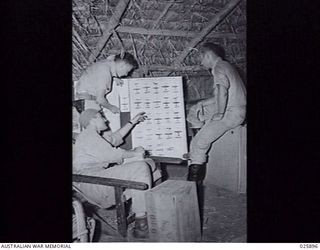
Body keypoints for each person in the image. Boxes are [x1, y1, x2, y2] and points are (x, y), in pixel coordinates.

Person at [73, 109, 156, 238]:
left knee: (150, 164)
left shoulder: (94, 136)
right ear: (93, 119)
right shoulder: (88, 136)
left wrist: (132, 122)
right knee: (141, 166)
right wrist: (135, 153)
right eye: (102, 117)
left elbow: (115, 138)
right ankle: (142, 223)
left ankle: (140, 206)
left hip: (96, 179)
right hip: (93, 183)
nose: (106, 120)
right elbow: (112, 155)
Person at [186, 42, 246, 182]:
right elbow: (221, 95)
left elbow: (222, 92)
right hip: (236, 108)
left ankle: (193, 186)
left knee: (199, 144)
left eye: (201, 59)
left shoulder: (218, 68)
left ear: (207, 55)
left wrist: (219, 113)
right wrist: (201, 103)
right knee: (195, 111)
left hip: (232, 113)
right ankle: (202, 135)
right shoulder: (226, 65)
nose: (201, 63)